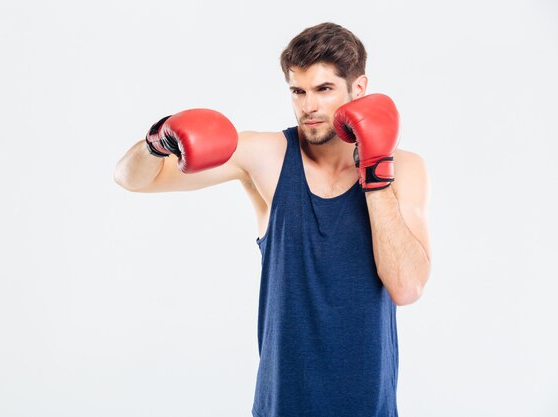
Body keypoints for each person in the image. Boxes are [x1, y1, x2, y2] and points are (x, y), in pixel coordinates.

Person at [114, 22, 431, 417]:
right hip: (282, 405)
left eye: (323, 90)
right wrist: (156, 141)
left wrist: (375, 174)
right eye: (298, 91)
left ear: (359, 90)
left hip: (368, 405)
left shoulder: (404, 168)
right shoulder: (266, 156)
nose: (308, 106)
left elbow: (408, 287)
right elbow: (132, 180)